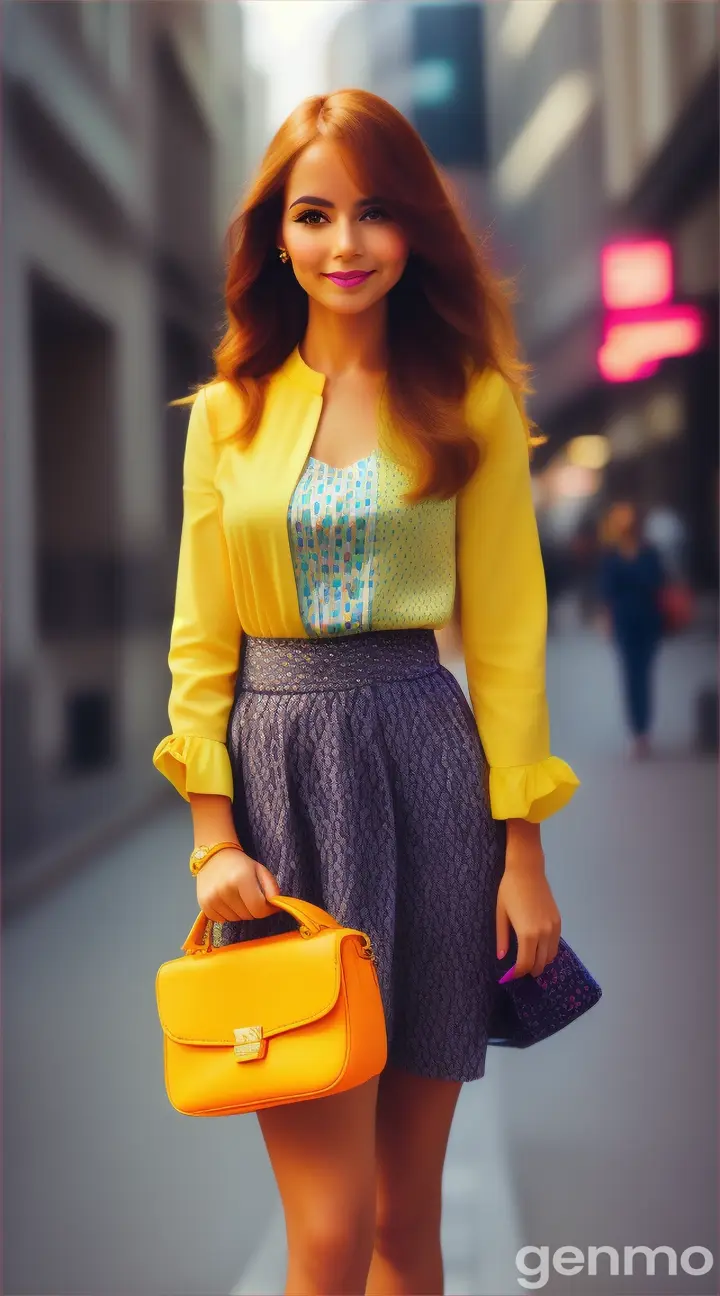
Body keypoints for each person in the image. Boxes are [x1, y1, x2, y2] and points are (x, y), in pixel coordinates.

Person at [153, 89, 581, 1296]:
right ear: (276, 238)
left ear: (416, 230)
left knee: (406, 1226)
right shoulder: (226, 418)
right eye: (315, 214)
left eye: (377, 212)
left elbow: (505, 635)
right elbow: (200, 641)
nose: (346, 244)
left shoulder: (473, 402)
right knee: (329, 1234)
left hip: (430, 771)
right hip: (279, 792)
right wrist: (209, 837)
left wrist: (523, 850)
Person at [597, 501, 667, 759]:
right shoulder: (612, 555)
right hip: (625, 621)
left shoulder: (650, 552)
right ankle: (637, 732)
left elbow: (660, 581)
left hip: (649, 620)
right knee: (630, 675)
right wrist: (606, 620)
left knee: (645, 674)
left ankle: (645, 728)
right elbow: (606, 592)